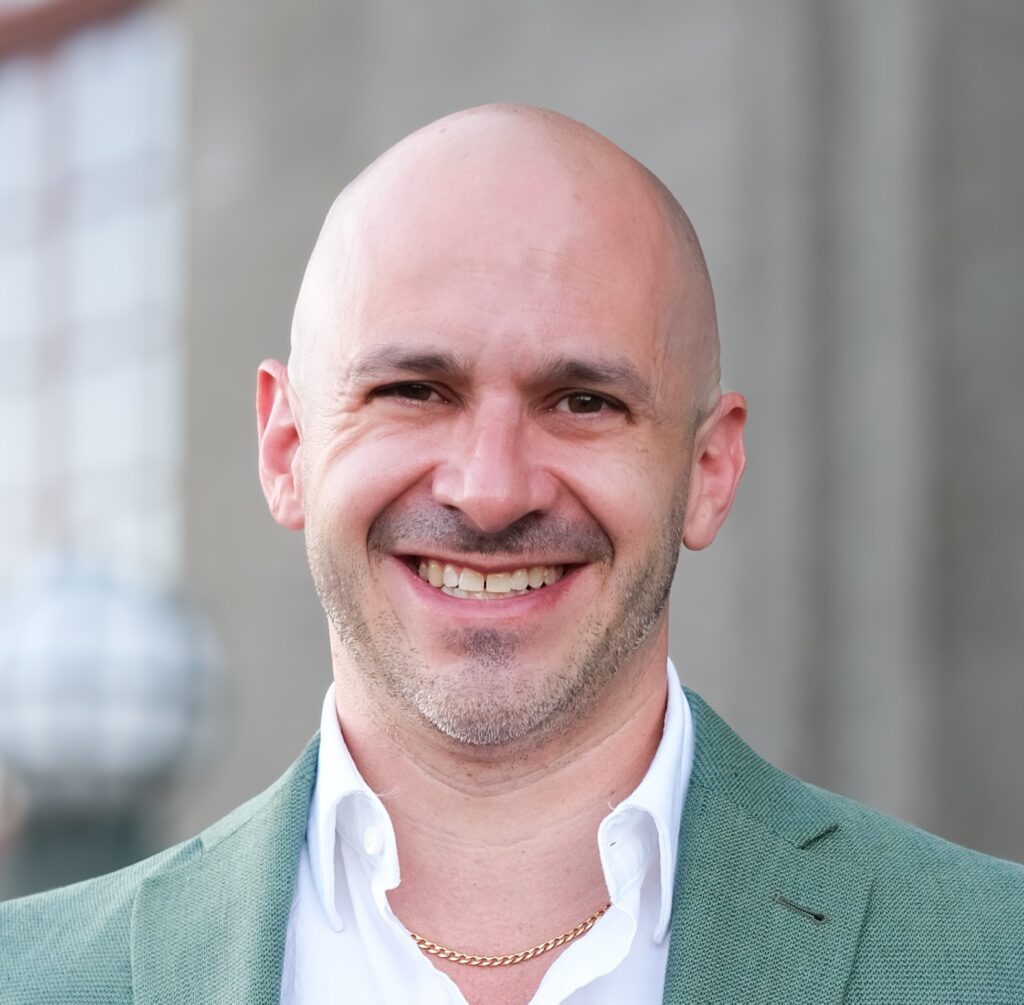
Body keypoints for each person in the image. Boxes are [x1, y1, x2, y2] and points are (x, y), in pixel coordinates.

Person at [1, 104, 1022, 1005]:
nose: (489, 489)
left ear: (708, 470)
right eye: (413, 390)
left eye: (583, 401)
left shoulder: (991, 959)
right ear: (288, 449)